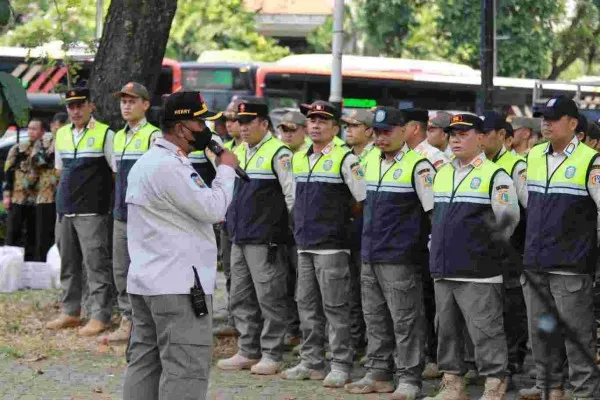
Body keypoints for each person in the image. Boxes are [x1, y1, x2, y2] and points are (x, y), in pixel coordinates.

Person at [122, 91, 238, 400]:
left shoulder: (146, 163)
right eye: (199, 122)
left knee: (144, 363)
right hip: (179, 287)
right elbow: (213, 209)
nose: (205, 129)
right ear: (181, 128)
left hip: (148, 283)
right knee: (185, 369)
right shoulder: (171, 167)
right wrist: (225, 169)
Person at [425, 114, 520, 400]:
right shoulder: (442, 173)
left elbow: (508, 219)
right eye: (452, 133)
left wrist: (483, 248)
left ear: (480, 138)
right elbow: (436, 218)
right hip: (444, 268)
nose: (455, 138)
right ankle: (452, 384)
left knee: (485, 330)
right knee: (447, 330)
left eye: (463, 133)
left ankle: (495, 384)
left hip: (479, 270)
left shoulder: (495, 174)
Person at [345, 106, 434, 399]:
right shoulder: (369, 161)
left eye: (387, 132)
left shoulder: (419, 167)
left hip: (401, 258)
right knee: (375, 318)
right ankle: (378, 373)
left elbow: (433, 212)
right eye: (378, 132)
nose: (381, 138)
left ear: (404, 131)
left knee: (406, 320)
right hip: (371, 254)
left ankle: (409, 379)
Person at [519, 96, 600, 400]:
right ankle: (548, 389)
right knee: (542, 334)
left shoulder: (591, 161)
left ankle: (583, 394)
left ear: (572, 123)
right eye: (543, 118)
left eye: (553, 119)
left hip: (570, 267)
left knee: (576, 337)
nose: (546, 124)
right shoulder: (535, 155)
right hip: (536, 264)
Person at [282, 100, 366, 388]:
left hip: (332, 244)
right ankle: (311, 361)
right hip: (304, 243)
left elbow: (362, 200)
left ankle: (341, 364)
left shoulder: (346, 158)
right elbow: (293, 198)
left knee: (336, 308)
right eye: (312, 120)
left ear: (334, 127)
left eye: (322, 120)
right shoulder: (300, 157)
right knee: (306, 305)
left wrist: (340, 226)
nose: (315, 124)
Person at [216, 99, 294, 376]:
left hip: (265, 238)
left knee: (269, 297)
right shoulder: (238, 150)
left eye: (249, 122)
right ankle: (248, 349)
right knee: (240, 296)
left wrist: (282, 231)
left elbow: (290, 195)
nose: (242, 127)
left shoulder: (279, 152)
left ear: (264, 123)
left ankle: (272, 352)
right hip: (240, 235)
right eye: (240, 122)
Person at [46, 87, 115, 337]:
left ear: (90, 106)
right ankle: (70, 311)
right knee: (68, 263)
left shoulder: (106, 133)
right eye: (70, 106)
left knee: (96, 263)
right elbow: (60, 171)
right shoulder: (62, 134)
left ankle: (100, 316)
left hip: (92, 210)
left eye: (79, 105)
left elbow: (115, 172)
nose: (75, 110)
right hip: (66, 209)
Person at [98, 82, 161, 345]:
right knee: (121, 269)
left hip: (146, 217)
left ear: (145, 105)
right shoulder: (118, 136)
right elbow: (117, 174)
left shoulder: (154, 135)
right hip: (121, 214)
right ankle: (128, 320)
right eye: (123, 101)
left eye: (132, 101)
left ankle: (150, 322)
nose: (126, 105)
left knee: (147, 269)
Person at [481, 111, 529, 380]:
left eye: (486, 133)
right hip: (481, 250)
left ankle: (511, 361)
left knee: (510, 307)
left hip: (511, 249)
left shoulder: (516, 166)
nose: (481, 138)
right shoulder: (474, 165)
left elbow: (528, 205)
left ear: (502, 136)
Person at [341, 108, 375, 356]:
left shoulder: (376, 157)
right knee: (350, 293)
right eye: (347, 126)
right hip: (347, 233)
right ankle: (355, 344)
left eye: (355, 126)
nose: (348, 130)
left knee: (370, 296)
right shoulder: (343, 156)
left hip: (370, 235)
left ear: (369, 131)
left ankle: (373, 347)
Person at [277, 109, 310, 346]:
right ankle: (292, 328)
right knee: (286, 281)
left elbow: (293, 194)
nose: (287, 135)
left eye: (292, 130)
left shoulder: (307, 153)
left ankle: (305, 332)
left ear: (303, 130)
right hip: (283, 227)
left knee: (305, 285)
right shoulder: (283, 153)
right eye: (283, 130)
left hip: (302, 226)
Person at [214, 99, 243, 338]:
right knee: (231, 272)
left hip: (251, 224)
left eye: (237, 119)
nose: (232, 124)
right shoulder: (225, 149)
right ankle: (234, 317)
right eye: (229, 120)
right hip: (228, 219)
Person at [3, 118, 47, 261]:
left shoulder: (46, 149)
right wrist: (7, 195)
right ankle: (9, 262)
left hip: (37, 199)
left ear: (42, 132)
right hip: (18, 197)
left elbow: (45, 167)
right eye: (29, 128)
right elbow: (8, 172)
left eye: (35, 129)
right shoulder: (17, 149)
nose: (31, 132)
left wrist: (39, 148)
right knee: (13, 232)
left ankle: (30, 264)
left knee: (33, 234)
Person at [31, 116, 60, 262]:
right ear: (51, 126)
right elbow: (37, 161)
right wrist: (52, 152)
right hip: (45, 194)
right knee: (43, 234)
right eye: (56, 126)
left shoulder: (69, 140)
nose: (58, 130)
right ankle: (41, 267)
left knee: (60, 235)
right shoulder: (43, 142)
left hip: (63, 195)